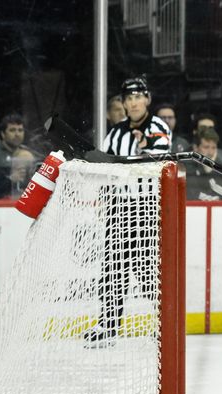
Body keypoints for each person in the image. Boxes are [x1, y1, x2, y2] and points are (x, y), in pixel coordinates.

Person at [84, 76, 172, 347]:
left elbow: (161, 157)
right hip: (118, 207)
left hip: (145, 207)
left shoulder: (158, 126)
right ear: (122, 103)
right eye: (128, 98)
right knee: (112, 268)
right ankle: (109, 325)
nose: (133, 103)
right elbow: (107, 164)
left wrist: (144, 148)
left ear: (147, 99)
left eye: (137, 97)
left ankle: (165, 322)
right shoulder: (116, 132)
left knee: (147, 270)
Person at [0, 113, 36, 199]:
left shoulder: (28, 153)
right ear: (3, 134)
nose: (17, 134)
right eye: (12, 130)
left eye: (20, 130)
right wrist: (10, 180)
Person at [185, 129, 222, 201]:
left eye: (213, 148)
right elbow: (190, 193)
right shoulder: (187, 167)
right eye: (206, 147)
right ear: (195, 148)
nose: (210, 152)